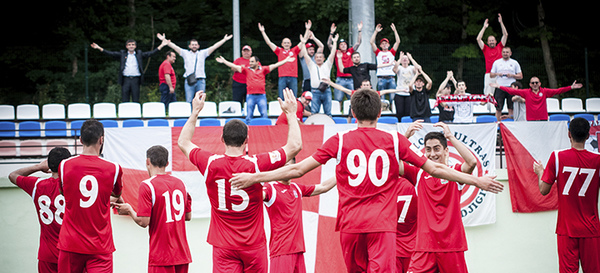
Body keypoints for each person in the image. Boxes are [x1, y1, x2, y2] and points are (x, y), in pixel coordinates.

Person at [229, 89, 503, 272]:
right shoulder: (394, 140)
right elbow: (436, 169)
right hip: (382, 227)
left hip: (350, 225)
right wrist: (477, 181)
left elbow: (297, 170)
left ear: (353, 113)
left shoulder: (339, 140)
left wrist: (256, 176)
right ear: (379, 113)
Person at [177, 88, 302, 273]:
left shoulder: (210, 163)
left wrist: (195, 111)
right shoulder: (257, 164)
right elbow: (295, 146)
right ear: (247, 140)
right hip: (253, 245)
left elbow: (183, 142)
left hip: (223, 245)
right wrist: (291, 114)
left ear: (222, 139)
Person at [400, 122, 499, 273]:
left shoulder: (456, 172)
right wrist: (405, 137)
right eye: (428, 149)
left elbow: (471, 162)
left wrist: (450, 136)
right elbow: (394, 162)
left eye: (437, 148)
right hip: (424, 245)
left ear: (446, 151)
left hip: (451, 245)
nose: (432, 154)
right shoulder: (418, 173)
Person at [533, 117, 600, 273]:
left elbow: (543, 190)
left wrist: (540, 172)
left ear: (569, 134)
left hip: (566, 229)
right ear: (588, 136)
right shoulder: (597, 160)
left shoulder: (557, 157)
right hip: (591, 230)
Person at [111, 145, 192, 273]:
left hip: (161, 256)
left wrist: (129, 210)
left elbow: (144, 222)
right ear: (167, 163)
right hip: (182, 254)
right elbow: (187, 216)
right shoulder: (181, 184)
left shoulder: (147, 185)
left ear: (147, 161)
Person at [57, 119, 124, 273]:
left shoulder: (65, 165)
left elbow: (63, 192)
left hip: (70, 243)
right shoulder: (114, 168)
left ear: (80, 140)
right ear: (101, 140)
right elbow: (116, 193)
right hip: (100, 244)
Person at [263, 164, 337, 273]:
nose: (289, 170)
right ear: (278, 169)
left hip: (299, 251)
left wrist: (341, 172)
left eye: (291, 167)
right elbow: (258, 196)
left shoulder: (296, 188)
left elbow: (323, 187)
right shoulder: (270, 188)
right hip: (281, 251)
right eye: (286, 167)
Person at [8, 147, 72, 273]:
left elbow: (13, 175)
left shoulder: (37, 185)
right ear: (66, 164)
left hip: (46, 255)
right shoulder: (74, 186)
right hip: (71, 253)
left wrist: (38, 167)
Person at [215, 54, 295, 124]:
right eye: (250, 61)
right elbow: (234, 66)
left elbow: (275, 65)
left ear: (257, 62)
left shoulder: (263, 69)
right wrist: (224, 61)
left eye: (252, 61)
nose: (250, 63)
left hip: (261, 96)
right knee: (249, 115)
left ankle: (265, 129)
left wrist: (286, 60)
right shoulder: (246, 70)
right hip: (250, 96)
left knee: (264, 114)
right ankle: (249, 130)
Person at [157, 33, 232, 103]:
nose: (194, 46)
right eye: (192, 45)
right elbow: (174, 46)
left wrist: (224, 40)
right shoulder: (185, 53)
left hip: (200, 80)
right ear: (189, 46)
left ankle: (200, 116)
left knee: (200, 101)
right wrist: (164, 40)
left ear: (198, 46)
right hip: (189, 80)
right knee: (189, 100)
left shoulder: (203, 53)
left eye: (196, 45)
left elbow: (214, 47)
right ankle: (191, 116)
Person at [90, 38, 169, 103]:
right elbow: (111, 53)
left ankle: (136, 115)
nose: (131, 46)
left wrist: (162, 45)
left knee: (136, 99)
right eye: (129, 45)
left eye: (133, 45)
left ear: (135, 46)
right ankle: (125, 115)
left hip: (136, 79)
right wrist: (99, 48)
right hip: (125, 79)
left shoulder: (139, 54)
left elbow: (151, 53)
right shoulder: (122, 54)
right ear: (126, 46)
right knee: (125, 98)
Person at [259, 21, 311, 99]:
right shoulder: (279, 51)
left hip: (293, 77)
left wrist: (307, 29)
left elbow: (303, 41)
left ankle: (293, 111)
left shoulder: (294, 50)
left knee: (293, 97)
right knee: (282, 96)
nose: (286, 44)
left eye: (288, 43)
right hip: (282, 77)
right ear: (282, 44)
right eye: (285, 43)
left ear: (290, 44)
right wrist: (263, 32)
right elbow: (269, 43)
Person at [490, 77, 582, 121]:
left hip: (543, 119)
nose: (534, 84)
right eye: (533, 83)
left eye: (536, 82)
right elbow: (511, 91)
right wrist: (499, 86)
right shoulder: (526, 92)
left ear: (539, 83)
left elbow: (558, 91)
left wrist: (571, 87)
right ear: (530, 84)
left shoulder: (545, 91)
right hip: (530, 120)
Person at [300, 31, 338, 116]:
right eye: (317, 57)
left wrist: (335, 42)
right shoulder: (311, 65)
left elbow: (332, 54)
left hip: (326, 91)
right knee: (314, 113)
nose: (319, 59)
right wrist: (303, 43)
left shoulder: (327, 64)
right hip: (315, 91)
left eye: (321, 57)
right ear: (315, 59)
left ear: (324, 58)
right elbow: (305, 55)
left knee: (328, 113)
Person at [328, 22, 363, 102]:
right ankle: (338, 113)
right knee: (338, 99)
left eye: (344, 44)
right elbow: (329, 44)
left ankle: (352, 113)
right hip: (340, 78)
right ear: (339, 46)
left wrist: (359, 31)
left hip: (350, 78)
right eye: (341, 44)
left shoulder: (350, 51)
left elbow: (358, 43)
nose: (343, 45)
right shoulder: (337, 52)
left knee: (352, 99)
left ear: (347, 45)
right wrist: (331, 33)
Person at [477, 13, 508, 96]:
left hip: (500, 74)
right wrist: (484, 27)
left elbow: (505, 35)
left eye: (492, 40)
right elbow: (478, 39)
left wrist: (501, 22)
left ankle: (499, 109)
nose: (491, 42)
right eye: (490, 40)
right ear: (487, 42)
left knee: (500, 93)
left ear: (495, 41)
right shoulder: (485, 49)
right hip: (489, 74)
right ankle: (488, 109)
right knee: (488, 94)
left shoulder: (500, 47)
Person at [490, 46, 523, 120]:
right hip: (499, 86)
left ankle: (511, 123)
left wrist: (512, 75)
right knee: (498, 107)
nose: (505, 54)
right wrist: (497, 74)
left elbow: (520, 76)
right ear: (501, 53)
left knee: (511, 107)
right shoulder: (497, 62)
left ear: (510, 53)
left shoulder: (514, 63)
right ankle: (497, 124)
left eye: (507, 52)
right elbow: (491, 75)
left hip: (511, 87)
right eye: (504, 52)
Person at [370, 23, 400, 101]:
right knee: (381, 98)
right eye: (382, 43)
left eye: (386, 43)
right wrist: (376, 32)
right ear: (380, 45)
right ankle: (383, 111)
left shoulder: (391, 52)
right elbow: (371, 42)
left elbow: (398, 42)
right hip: (381, 77)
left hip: (391, 77)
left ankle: (393, 111)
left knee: (393, 98)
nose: (384, 45)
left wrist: (395, 31)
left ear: (389, 45)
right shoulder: (378, 53)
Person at [393, 52, 421, 121]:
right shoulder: (399, 68)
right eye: (403, 59)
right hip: (400, 93)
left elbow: (419, 68)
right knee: (400, 112)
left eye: (406, 58)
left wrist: (411, 58)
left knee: (409, 112)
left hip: (410, 93)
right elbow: (394, 69)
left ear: (408, 61)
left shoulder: (411, 68)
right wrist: (400, 58)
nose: (404, 59)